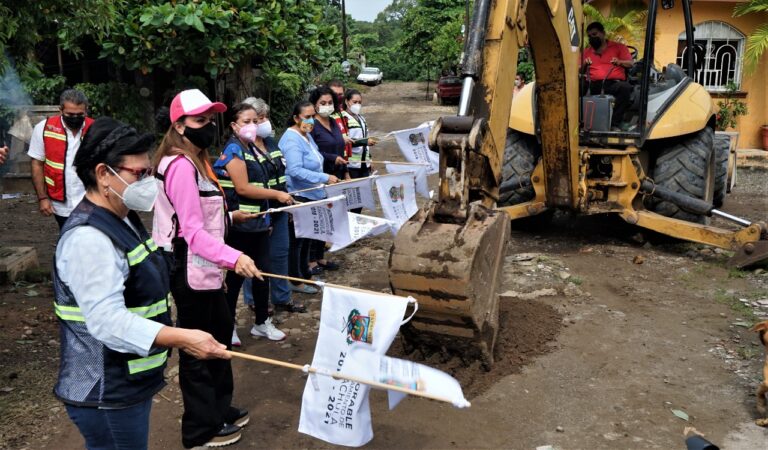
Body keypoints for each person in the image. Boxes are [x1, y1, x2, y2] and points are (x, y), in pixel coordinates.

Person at [54, 117, 231, 450]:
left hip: (128, 382)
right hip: (105, 390)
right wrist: (182, 338)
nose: (150, 182)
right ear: (104, 174)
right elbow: (107, 321)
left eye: (149, 172)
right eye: (140, 174)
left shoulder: (124, 217)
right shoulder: (88, 238)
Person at [152, 89, 261, 448]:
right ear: (180, 125)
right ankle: (200, 428)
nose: (207, 126)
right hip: (191, 266)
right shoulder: (180, 166)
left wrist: (231, 216)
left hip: (209, 264)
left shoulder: (198, 159)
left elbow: (201, 216)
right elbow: (192, 232)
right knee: (199, 347)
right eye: (200, 121)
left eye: (210, 119)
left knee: (220, 334)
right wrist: (235, 258)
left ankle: (220, 406)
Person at [214, 101, 297, 346]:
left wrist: (268, 216)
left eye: (255, 121)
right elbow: (242, 188)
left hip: (259, 223)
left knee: (262, 273)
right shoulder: (234, 150)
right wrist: (277, 197)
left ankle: (262, 322)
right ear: (233, 125)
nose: (252, 126)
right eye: (246, 122)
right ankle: (226, 327)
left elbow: (264, 183)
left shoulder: (255, 149)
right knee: (236, 278)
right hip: (239, 226)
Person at [238, 98, 307, 324]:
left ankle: (282, 297)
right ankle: (256, 301)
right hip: (258, 213)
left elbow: (281, 175)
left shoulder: (271, 143)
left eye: (265, 117)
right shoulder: (242, 149)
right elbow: (245, 187)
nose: (265, 123)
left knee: (280, 255)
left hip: (279, 208)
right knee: (257, 261)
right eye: (260, 119)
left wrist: (284, 202)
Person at [279, 101, 340, 292]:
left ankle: (305, 273)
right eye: (306, 116)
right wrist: (324, 177)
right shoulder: (291, 139)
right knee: (298, 240)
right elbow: (295, 170)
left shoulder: (306, 135)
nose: (311, 120)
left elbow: (315, 158)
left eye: (313, 116)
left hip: (313, 193)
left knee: (308, 237)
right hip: (300, 194)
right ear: (296, 118)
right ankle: (295, 280)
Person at [28, 89, 93, 229]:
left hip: (91, 199)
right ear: (60, 110)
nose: (75, 118)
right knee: (68, 237)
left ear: (86, 110)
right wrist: (42, 198)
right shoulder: (44, 129)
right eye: (70, 114)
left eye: (79, 114)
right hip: (60, 201)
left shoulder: (95, 128)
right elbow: (37, 164)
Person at [308, 87, 347, 274]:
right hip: (319, 177)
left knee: (328, 219)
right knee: (317, 218)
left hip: (336, 176)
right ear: (314, 104)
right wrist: (332, 158)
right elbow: (312, 152)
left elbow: (340, 148)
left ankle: (321, 257)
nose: (326, 106)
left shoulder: (333, 122)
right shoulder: (311, 125)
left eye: (329, 102)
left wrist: (345, 172)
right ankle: (311, 261)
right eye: (322, 103)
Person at [582, 21, 634, 130]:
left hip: (614, 84)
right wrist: (585, 64)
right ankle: (583, 123)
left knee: (625, 88)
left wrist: (619, 62)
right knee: (578, 88)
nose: (592, 38)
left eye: (595, 34)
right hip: (594, 84)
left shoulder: (618, 47)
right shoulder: (586, 52)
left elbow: (630, 63)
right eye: (590, 36)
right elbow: (580, 71)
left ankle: (614, 124)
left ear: (603, 33)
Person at [342, 89, 376, 183]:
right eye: (355, 102)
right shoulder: (343, 119)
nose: (357, 105)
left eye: (359, 102)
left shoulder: (361, 118)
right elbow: (344, 141)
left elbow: (366, 139)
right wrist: (365, 142)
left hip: (364, 164)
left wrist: (370, 160)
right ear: (346, 101)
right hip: (351, 165)